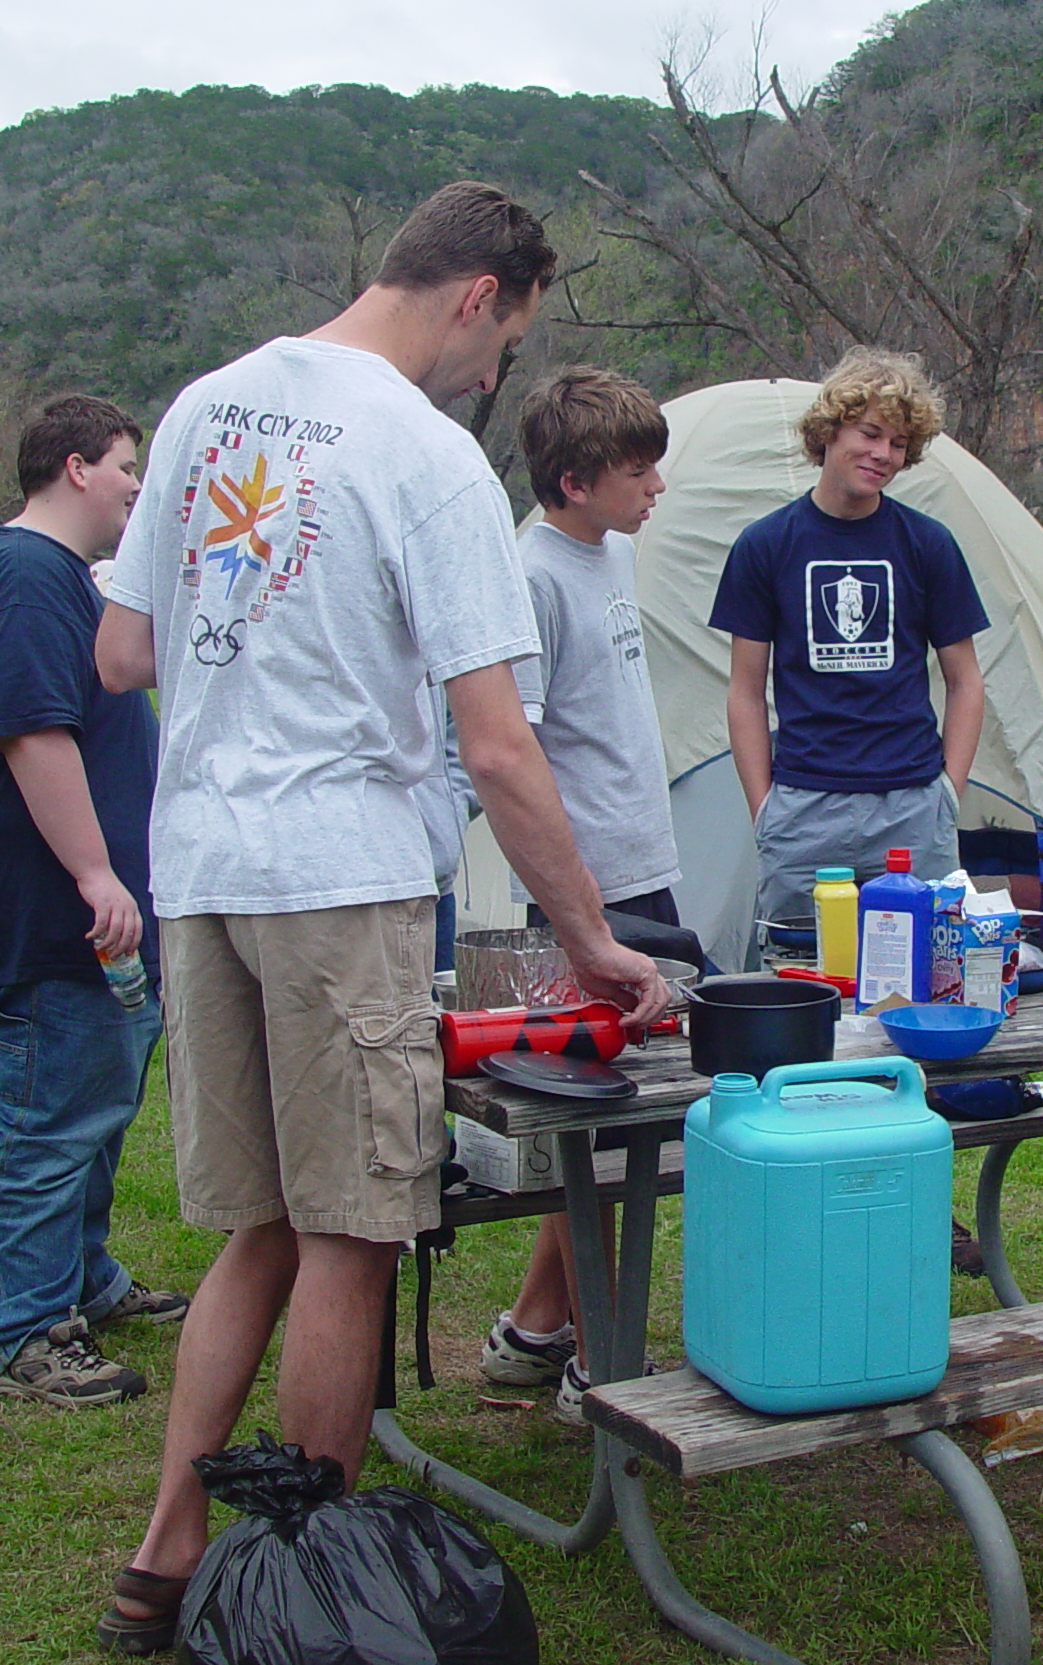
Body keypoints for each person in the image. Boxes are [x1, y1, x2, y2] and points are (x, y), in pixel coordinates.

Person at [91, 181, 666, 1655]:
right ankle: (320, 1599)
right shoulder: (423, 453)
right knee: (352, 1233)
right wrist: (591, 936)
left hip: (202, 870)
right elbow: (496, 742)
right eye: (506, 346)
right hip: (339, 875)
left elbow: (123, 650)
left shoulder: (206, 405)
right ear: (480, 295)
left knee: (260, 1229)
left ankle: (164, 1557)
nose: (496, 380)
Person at [0, 393, 189, 1408]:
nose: (135, 484)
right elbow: (32, 733)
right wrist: (94, 872)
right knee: (47, 1112)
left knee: (94, 1098)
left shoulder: (58, 578)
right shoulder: (28, 577)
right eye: (126, 464)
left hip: (93, 909)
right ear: (75, 467)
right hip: (48, 908)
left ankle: (83, 1278)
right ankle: (27, 1329)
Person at [475, 365, 680, 1425]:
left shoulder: (611, 550)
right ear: (569, 480)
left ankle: (536, 1334)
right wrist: (576, 910)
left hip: (648, 868)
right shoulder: (531, 574)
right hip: (585, 898)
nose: (656, 488)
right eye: (636, 471)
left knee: (622, 1129)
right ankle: (597, 1369)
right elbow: (523, 750)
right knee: (598, 1131)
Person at [710, 348, 989, 958]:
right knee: (802, 987)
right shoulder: (765, 546)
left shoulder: (927, 544)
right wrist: (765, 810)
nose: (882, 454)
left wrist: (947, 795)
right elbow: (744, 690)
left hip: (912, 808)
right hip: (804, 808)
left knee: (927, 976)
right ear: (829, 430)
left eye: (898, 442)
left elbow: (966, 681)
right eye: (869, 433)